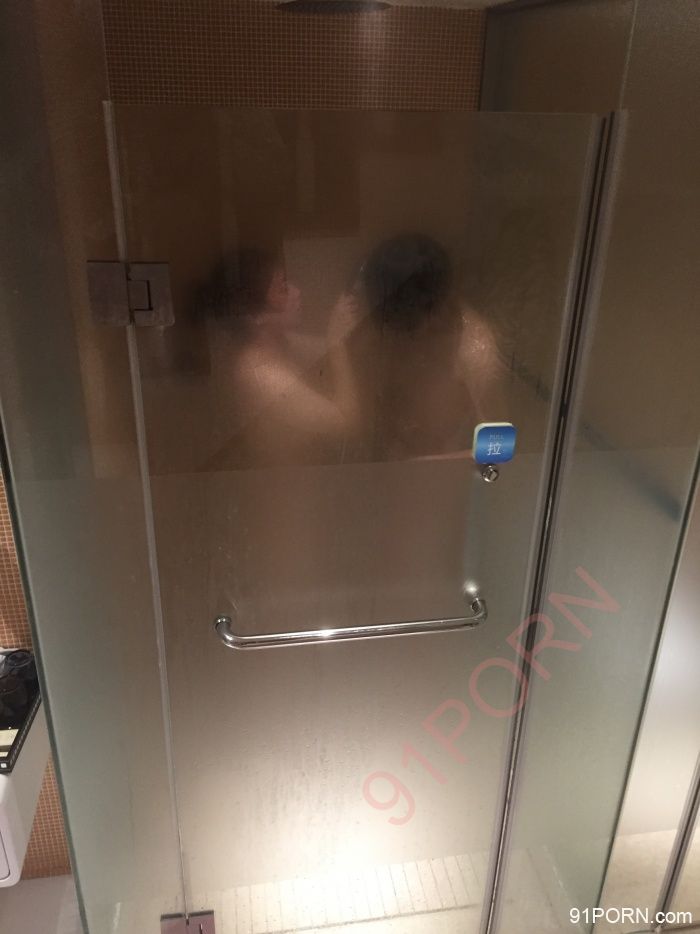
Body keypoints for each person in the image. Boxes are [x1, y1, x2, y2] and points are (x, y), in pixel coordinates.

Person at [197, 248, 362, 469]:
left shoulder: (278, 342)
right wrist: (337, 344)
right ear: (255, 315)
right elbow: (347, 423)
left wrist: (344, 327)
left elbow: (329, 349)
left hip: (309, 477)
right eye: (283, 288)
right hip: (290, 488)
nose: (297, 292)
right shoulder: (261, 374)